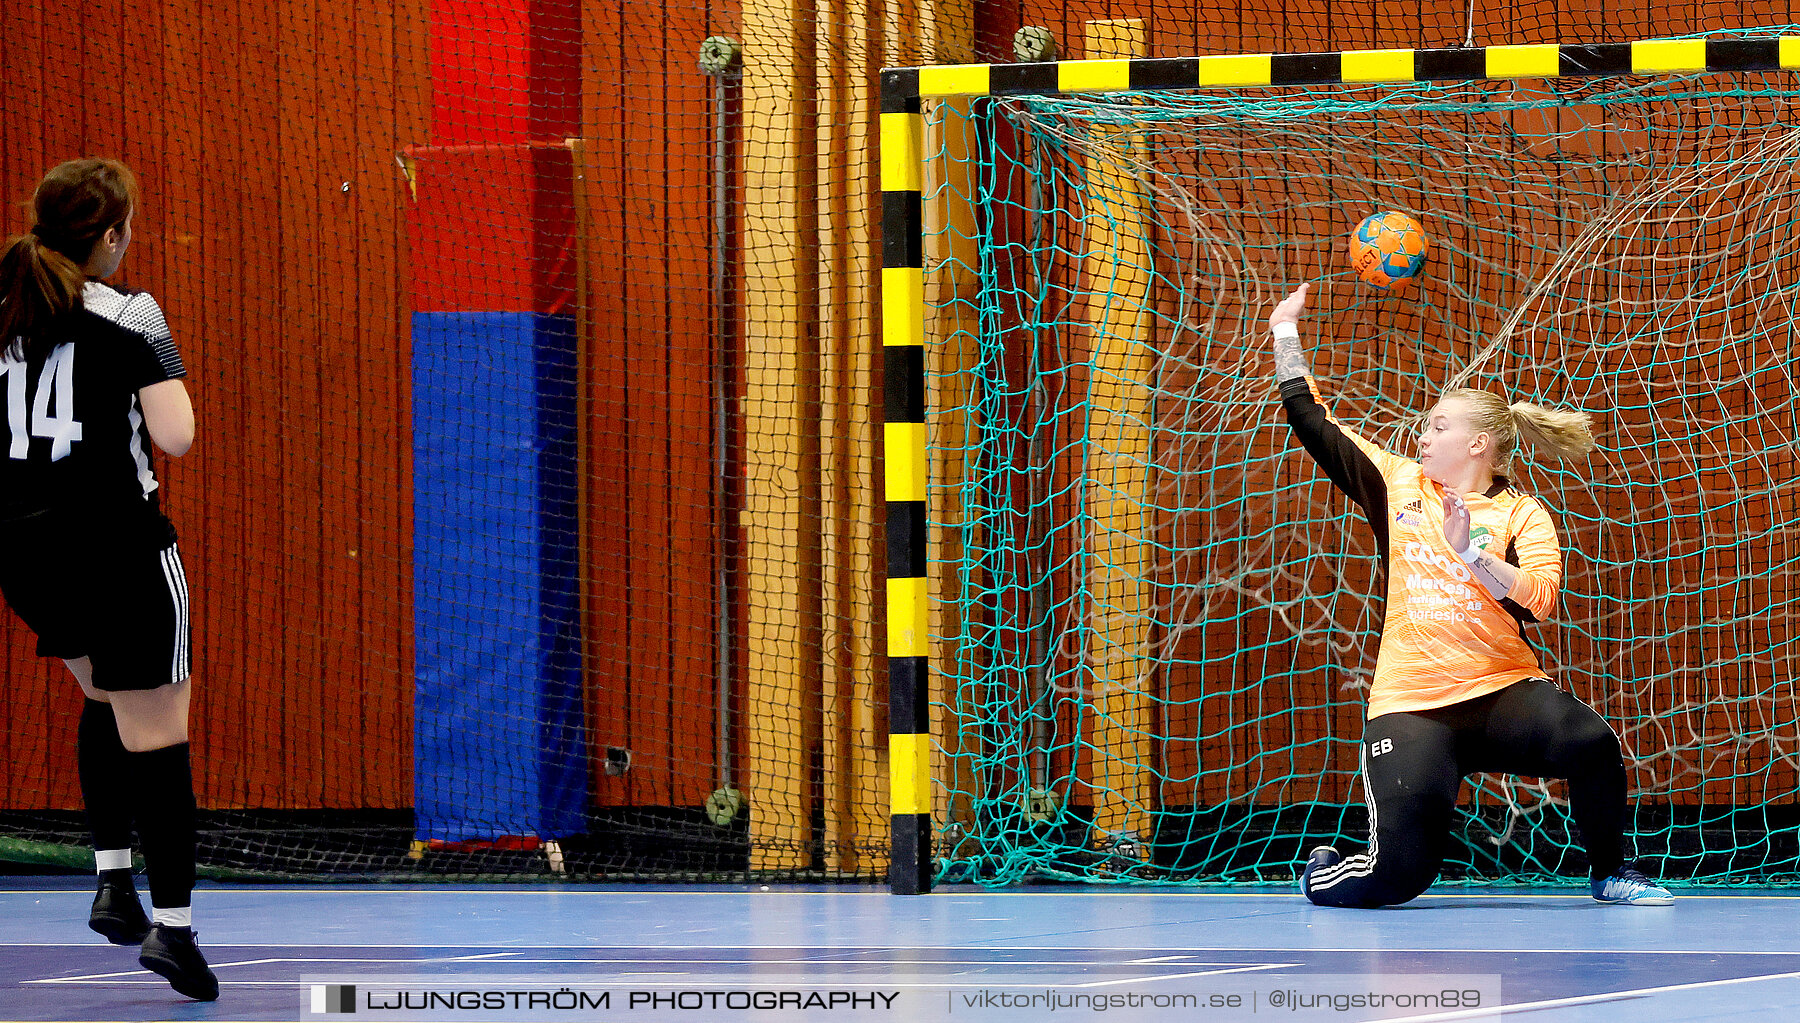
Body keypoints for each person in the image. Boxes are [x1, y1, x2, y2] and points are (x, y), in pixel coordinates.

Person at [1269, 281, 1672, 908]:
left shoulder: (1522, 514)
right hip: (1414, 707)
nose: (1421, 438)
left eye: (1436, 426)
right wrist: (1284, 331)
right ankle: (1327, 866)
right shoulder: (1395, 483)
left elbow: (1539, 597)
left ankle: (1613, 873)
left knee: (1591, 743)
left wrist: (1471, 554)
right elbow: (1312, 420)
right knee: (1397, 878)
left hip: (1501, 691)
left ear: (1477, 444)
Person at [0, 159, 217, 997]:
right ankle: (174, 930)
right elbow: (177, 437)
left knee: (102, 698)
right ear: (113, 236)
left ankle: (111, 874)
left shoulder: (3, 298)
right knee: (160, 741)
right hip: (118, 551)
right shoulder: (131, 312)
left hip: (24, 555)